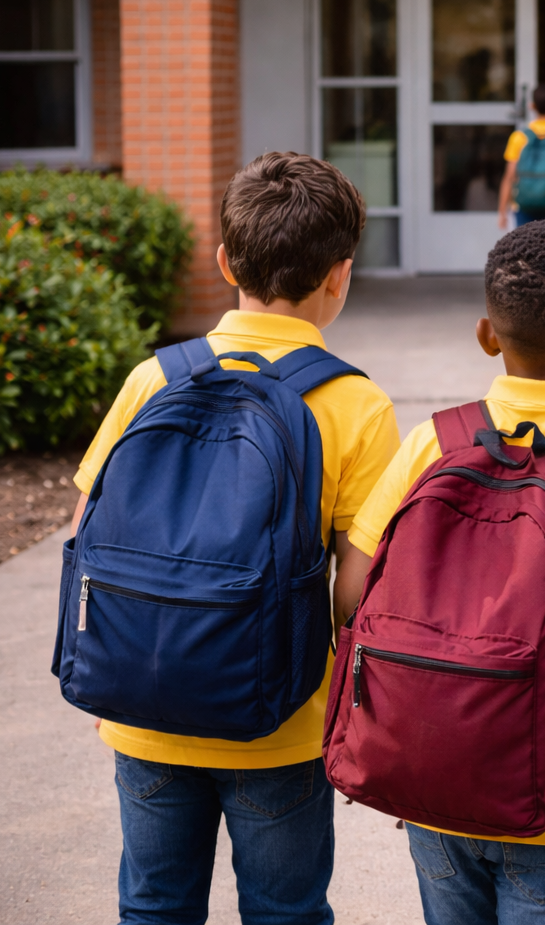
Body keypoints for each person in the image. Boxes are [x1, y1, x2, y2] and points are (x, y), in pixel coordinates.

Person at [69, 152, 400, 924]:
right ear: (340, 275)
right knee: (285, 911)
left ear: (224, 260)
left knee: (152, 905)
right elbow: (362, 584)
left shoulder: (155, 378)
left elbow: (85, 530)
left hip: (142, 708)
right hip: (278, 719)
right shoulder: (355, 403)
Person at [334, 220, 545, 925]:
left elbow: (350, 594)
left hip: (437, 772)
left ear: (487, 335)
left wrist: (433, 711)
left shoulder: (433, 440)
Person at [497, 82, 545, 229]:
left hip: (524, 205)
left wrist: (502, 212)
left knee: (526, 248)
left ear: (532, 106)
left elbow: (510, 175)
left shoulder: (519, 137)